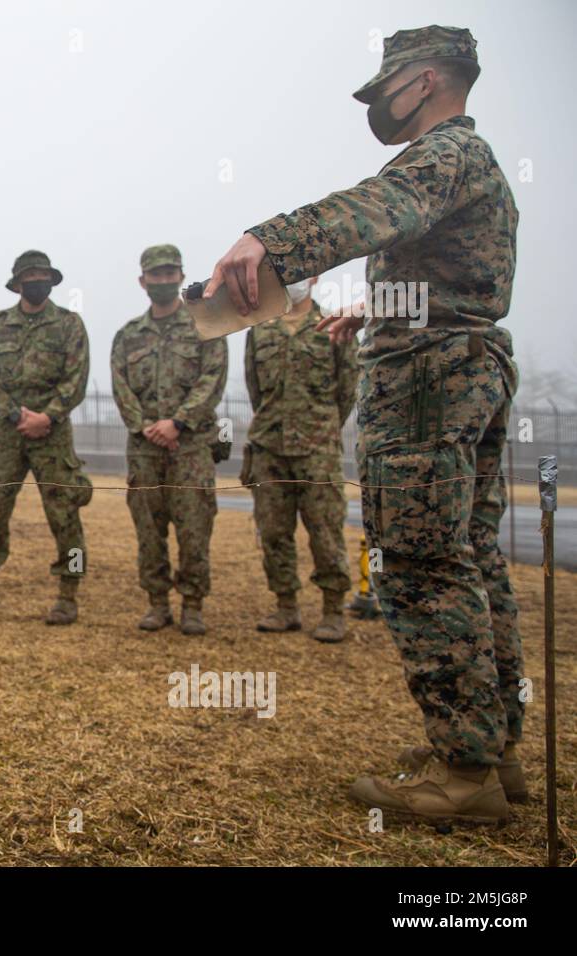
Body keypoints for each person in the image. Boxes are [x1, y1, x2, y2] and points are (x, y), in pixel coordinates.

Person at [206, 26, 524, 821]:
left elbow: (382, 209)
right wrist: (375, 308)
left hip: (429, 381)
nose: (378, 104)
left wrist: (271, 239)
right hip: (458, 362)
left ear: (422, 81)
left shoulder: (445, 155)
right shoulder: (469, 164)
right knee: (471, 559)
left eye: (384, 87)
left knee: (420, 563)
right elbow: (458, 283)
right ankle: (489, 748)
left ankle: (466, 773)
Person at [0, 250, 93, 626]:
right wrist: (15, 414)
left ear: (52, 280)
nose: (37, 281)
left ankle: (68, 595)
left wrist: (48, 416)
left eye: (43, 275)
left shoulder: (69, 324)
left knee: (64, 512)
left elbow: (76, 379)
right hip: (8, 432)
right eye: (31, 276)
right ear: (18, 283)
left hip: (53, 434)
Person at [110, 245, 226, 635]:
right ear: (143, 282)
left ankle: (192, 604)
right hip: (144, 451)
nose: (163, 281)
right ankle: (157, 603)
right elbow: (120, 386)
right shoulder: (127, 336)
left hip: (190, 448)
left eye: (169, 274)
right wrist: (146, 426)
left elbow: (213, 380)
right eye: (155, 275)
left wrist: (177, 422)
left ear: (180, 276)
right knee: (149, 531)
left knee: (194, 530)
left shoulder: (205, 326)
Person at [244, 276, 358, 642]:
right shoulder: (260, 330)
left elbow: (347, 389)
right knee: (274, 532)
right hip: (269, 448)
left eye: (299, 274)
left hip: (317, 451)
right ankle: (286, 607)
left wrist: (321, 426)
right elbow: (255, 389)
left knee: (325, 532)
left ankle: (332, 610)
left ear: (314, 277)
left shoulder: (333, 326)